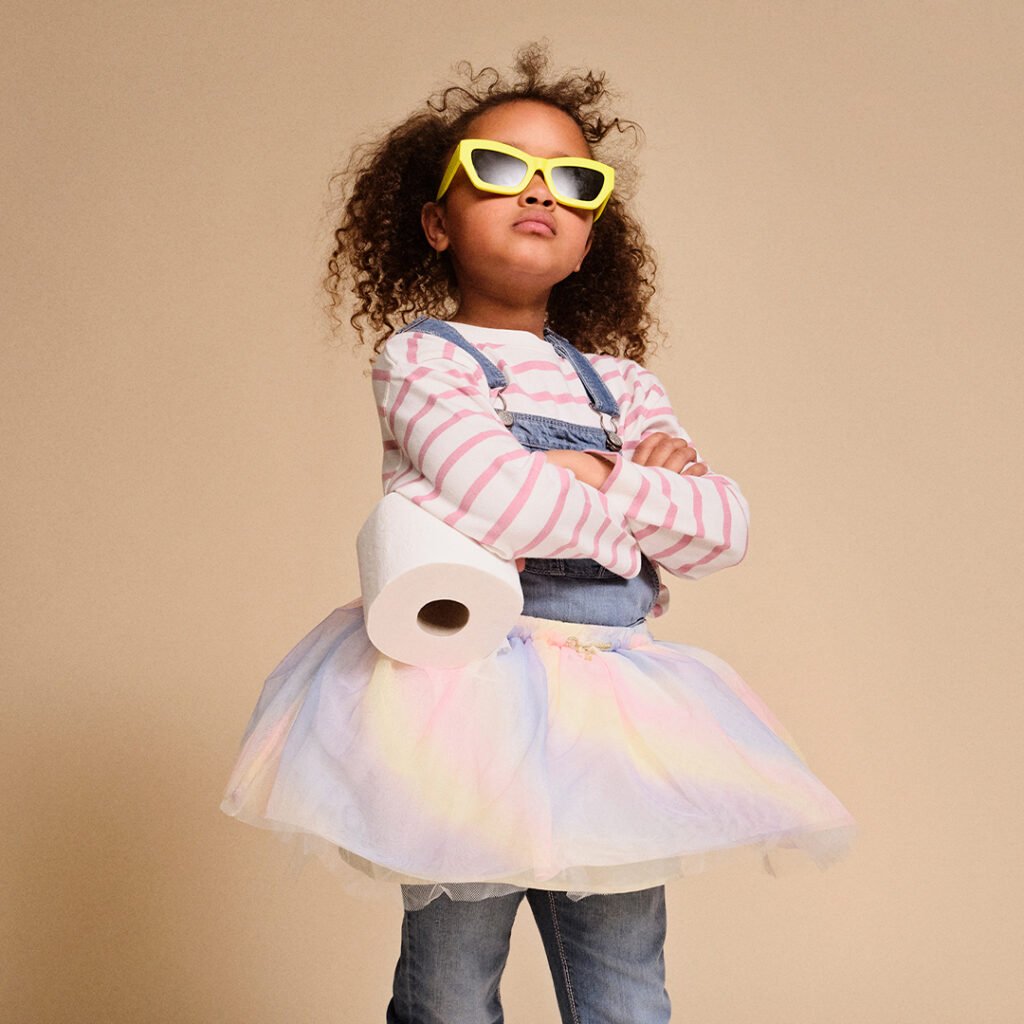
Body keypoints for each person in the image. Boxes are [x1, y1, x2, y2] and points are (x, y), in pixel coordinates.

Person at [221, 44, 856, 1024]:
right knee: (450, 981)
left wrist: (588, 474)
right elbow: (503, 496)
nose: (538, 193)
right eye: (499, 169)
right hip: (462, 693)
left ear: (591, 238)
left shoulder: (624, 384)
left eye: (572, 181)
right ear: (437, 222)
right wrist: (639, 492)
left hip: (612, 705)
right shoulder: (422, 358)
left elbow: (721, 528)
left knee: (626, 984)